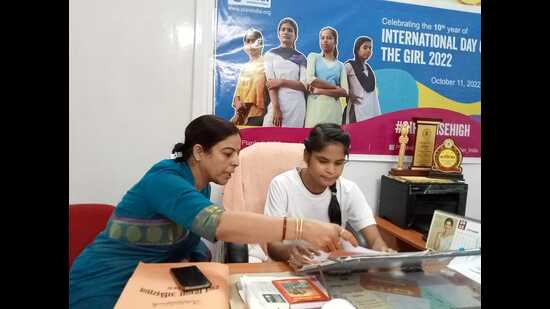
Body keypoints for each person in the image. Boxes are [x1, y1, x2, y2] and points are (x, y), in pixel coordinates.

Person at [69, 115, 358, 309]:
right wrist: (302, 228)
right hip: (105, 286)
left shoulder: (201, 185)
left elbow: (189, 238)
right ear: (198, 152)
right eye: (227, 154)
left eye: (238, 153)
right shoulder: (164, 180)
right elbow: (217, 224)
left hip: (150, 286)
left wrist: (197, 269)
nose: (236, 163)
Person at [264, 123, 393, 268]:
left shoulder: (348, 190)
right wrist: (292, 251)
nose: (331, 170)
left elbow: (375, 240)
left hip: (333, 271)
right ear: (307, 156)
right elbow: (273, 247)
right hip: (289, 268)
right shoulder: (282, 185)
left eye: (338, 163)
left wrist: (384, 253)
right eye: (323, 161)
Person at [262, 17, 308, 128]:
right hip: (276, 102)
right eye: (283, 29)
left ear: (295, 36)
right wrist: (276, 108)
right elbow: (271, 84)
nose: (286, 32)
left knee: (292, 141)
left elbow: (304, 85)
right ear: (278, 33)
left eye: (290, 30)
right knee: (268, 137)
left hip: (296, 104)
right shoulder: (270, 55)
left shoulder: (301, 57)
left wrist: (282, 82)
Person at [304, 27, 348, 128]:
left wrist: (320, 90)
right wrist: (336, 88)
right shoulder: (313, 57)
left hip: (333, 110)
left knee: (332, 140)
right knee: (315, 139)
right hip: (315, 108)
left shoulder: (340, 65)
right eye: (322, 38)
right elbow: (311, 79)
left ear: (335, 41)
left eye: (329, 38)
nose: (325, 40)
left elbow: (345, 92)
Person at [230, 29, 267, 126]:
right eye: (248, 41)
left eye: (254, 40)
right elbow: (238, 92)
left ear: (261, 44)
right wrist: (238, 106)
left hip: (257, 114)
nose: (251, 43)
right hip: (242, 114)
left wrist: (243, 107)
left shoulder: (265, 63)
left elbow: (259, 88)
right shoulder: (245, 67)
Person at [343, 36, 381, 124]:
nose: (368, 50)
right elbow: (338, 82)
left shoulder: (368, 68)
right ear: (357, 49)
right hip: (357, 109)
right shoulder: (349, 66)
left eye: (370, 48)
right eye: (365, 47)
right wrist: (348, 92)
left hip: (371, 109)